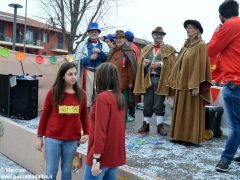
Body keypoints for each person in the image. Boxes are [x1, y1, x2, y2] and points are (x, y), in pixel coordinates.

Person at [36, 62, 89, 180]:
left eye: (75, 74)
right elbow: (44, 116)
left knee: (66, 171)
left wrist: (86, 133)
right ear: (62, 76)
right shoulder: (53, 92)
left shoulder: (82, 94)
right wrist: (39, 137)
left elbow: (84, 116)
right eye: (70, 74)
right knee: (51, 171)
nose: (74, 76)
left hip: (72, 140)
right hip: (52, 139)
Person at [207, 0, 240, 172]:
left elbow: (210, 51)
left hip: (235, 82)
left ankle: (225, 160)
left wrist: (216, 33)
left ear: (221, 16)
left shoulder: (230, 25)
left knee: (235, 126)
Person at [167, 20, 212, 144]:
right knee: (180, 110)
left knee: (190, 111)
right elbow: (178, 64)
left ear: (197, 30)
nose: (188, 30)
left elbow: (201, 65)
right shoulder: (186, 45)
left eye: (191, 28)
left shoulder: (201, 45)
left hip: (193, 84)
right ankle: (178, 136)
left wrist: (196, 84)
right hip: (181, 83)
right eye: (187, 28)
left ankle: (190, 138)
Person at [84, 62, 126, 180]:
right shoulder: (120, 97)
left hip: (100, 157)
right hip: (113, 157)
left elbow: (100, 130)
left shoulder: (102, 97)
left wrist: (96, 159)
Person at [134, 26, 176, 136]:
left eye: (161, 35)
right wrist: (143, 64)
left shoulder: (168, 49)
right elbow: (140, 65)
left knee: (159, 104)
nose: (159, 36)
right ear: (153, 35)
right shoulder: (146, 48)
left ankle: (159, 125)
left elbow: (174, 64)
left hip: (161, 80)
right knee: (147, 103)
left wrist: (161, 64)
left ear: (163, 36)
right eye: (157, 34)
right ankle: (146, 124)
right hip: (148, 79)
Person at [75, 22, 109, 109]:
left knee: (99, 95)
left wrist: (99, 52)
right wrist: (90, 58)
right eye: (92, 31)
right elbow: (78, 61)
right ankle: (87, 117)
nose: (94, 33)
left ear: (98, 33)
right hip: (87, 73)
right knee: (87, 96)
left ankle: (97, 117)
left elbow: (107, 59)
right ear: (89, 33)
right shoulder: (82, 45)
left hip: (100, 74)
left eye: (96, 31)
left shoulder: (104, 45)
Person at [106, 30, 137, 122]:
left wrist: (131, 82)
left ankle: (121, 124)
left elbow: (132, 68)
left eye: (121, 38)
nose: (118, 40)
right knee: (111, 104)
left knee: (122, 105)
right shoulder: (112, 50)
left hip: (123, 83)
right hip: (110, 83)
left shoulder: (129, 51)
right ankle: (112, 122)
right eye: (117, 38)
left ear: (124, 39)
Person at [124, 31, 141, 122]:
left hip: (132, 73)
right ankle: (129, 114)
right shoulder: (134, 47)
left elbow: (133, 63)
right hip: (132, 73)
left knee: (131, 96)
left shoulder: (132, 48)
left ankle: (131, 114)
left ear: (126, 39)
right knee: (129, 95)